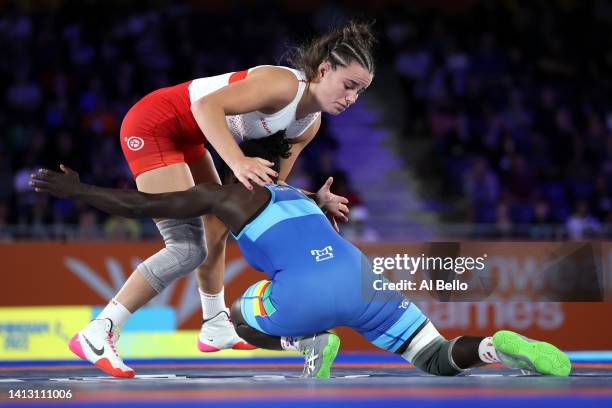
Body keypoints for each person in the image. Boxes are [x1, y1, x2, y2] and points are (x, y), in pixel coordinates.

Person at [31, 134, 571, 379]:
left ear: (242, 160)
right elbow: (307, 202)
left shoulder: (229, 194)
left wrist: (77, 192)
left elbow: (142, 203)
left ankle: (307, 338)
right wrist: (321, 199)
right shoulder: (298, 193)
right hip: (366, 280)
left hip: (304, 297)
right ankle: (495, 350)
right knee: (434, 357)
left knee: (233, 314)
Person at [72, 20, 376, 375]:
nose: (351, 98)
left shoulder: (309, 124)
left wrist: (311, 198)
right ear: (323, 70)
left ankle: (215, 325)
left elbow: (266, 186)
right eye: (348, 85)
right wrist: (238, 159)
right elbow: (204, 108)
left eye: (360, 92)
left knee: (218, 222)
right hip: (154, 124)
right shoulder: (281, 84)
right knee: (186, 247)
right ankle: (99, 330)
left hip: (190, 138)